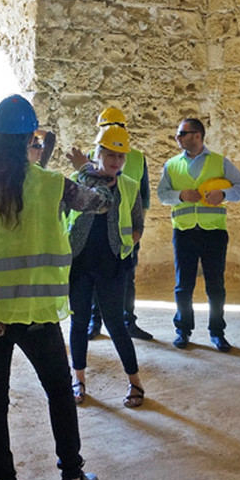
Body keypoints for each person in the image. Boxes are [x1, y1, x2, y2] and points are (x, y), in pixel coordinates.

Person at [0, 94, 112, 480]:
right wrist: (90, 171)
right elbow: (101, 201)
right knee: (59, 392)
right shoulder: (52, 184)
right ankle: (72, 479)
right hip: (38, 314)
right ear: (30, 137)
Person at [66, 125, 147, 408]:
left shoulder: (129, 186)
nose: (115, 161)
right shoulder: (77, 181)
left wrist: (127, 244)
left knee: (115, 323)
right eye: (110, 154)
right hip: (79, 263)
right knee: (78, 323)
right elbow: (65, 215)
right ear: (97, 153)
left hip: (113, 265)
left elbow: (138, 225)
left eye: (120, 156)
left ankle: (135, 382)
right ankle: (78, 379)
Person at [156, 117, 240, 351]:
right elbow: (161, 194)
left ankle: (217, 333)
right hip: (184, 232)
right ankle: (183, 331)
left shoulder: (220, 162)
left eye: (182, 133)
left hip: (214, 233)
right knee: (183, 286)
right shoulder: (171, 165)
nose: (177, 137)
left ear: (197, 135)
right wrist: (179, 196)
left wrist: (224, 195)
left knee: (215, 286)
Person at [86, 107, 153, 341]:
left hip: (126, 234)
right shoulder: (91, 155)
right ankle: (95, 322)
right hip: (97, 232)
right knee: (95, 279)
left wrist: (137, 230)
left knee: (127, 279)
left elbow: (142, 195)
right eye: (104, 127)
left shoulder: (136, 157)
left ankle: (128, 321)